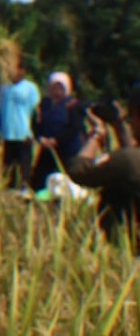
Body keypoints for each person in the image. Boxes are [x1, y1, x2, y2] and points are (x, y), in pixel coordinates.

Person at [67, 92, 140, 251]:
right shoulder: (129, 158)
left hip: (129, 247)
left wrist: (97, 133)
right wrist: (119, 126)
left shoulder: (126, 160)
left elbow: (78, 170)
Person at [30, 72, 85, 192]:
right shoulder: (43, 104)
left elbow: (74, 127)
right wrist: (40, 138)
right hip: (47, 148)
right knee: (40, 180)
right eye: (54, 86)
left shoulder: (73, 105)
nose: (56, 90)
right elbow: (35, 123)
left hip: (67, 150)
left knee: (67, 180)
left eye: (60, 87)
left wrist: (57, 140)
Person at [0, 60, 41, 189]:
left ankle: (24, 189)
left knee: (24, 166)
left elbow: (35, 112)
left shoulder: (30, 88)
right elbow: (1, 111)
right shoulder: (4, 88)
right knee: (8, 166)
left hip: (24, 134)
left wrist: (34, 132)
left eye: (20, 69)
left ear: (24, 71)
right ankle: (9, 190)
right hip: (8, 133)